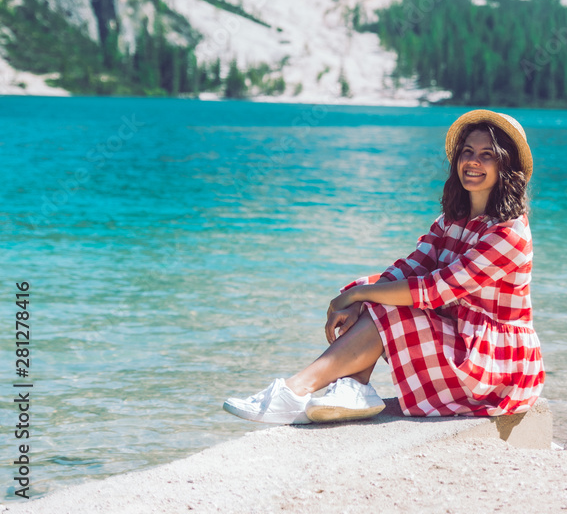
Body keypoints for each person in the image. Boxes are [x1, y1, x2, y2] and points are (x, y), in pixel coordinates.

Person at [223, 109, 545, 425]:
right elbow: (411, 267)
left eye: (487, 154)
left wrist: (361, 294)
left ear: (506, 166)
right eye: (467, 152)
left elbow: (434, 290)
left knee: (387, 304)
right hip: (459, 342)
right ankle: (353, 387)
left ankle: (295, 390)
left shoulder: (509, 233)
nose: (473, 161)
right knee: (379, 297)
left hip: (497, 366)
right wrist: (357, 294)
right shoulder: (451, 222)